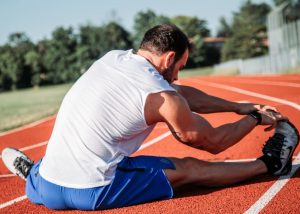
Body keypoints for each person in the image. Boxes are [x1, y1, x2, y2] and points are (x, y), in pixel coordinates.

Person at [2, 24, 299, 211]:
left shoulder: (113, 58)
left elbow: (181, 93)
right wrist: (255, 119)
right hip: (94, 190)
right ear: (169, 58)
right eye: (179, 65)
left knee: (64, 153)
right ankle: (270, 164)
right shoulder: (161, 97)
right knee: (191, 170)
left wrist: (237, 106)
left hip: (49, 189)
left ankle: (33, 175)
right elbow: (212, 142)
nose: (179, 74)